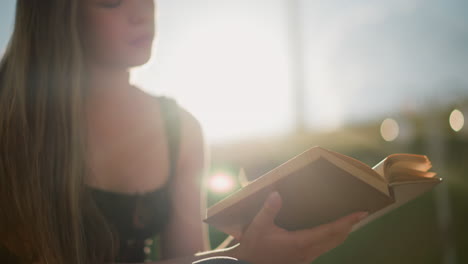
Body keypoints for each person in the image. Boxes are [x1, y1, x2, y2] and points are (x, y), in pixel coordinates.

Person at [0, 0, 369, 263]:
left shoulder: (180, 128)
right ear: (55, 12)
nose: (140, 12)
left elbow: (189, 257)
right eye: (111, 1)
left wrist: (256, 248)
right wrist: (241, 259)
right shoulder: (9, 117)